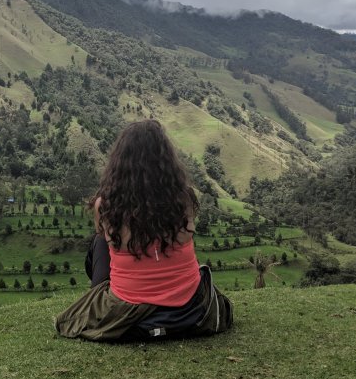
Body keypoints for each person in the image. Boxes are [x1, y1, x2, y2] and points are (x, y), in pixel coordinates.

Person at [56, 119, 233, 341]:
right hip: (190, 310)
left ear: (120, 162)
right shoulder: (184, 198)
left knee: (100, 241)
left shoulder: (105, 205)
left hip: (130, 315)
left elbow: (105, 237)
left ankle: (110, 294)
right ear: (166, 160)